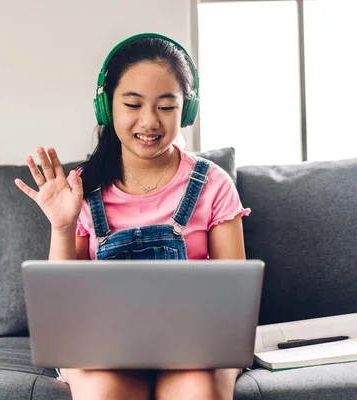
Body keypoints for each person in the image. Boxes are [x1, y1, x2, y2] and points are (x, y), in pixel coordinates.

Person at [14, 33, 251, 400]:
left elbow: (236, 301)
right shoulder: (82, 188)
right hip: (102, 348)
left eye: (166, 107)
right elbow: (64, 307)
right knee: (105, 392)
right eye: (133, 104)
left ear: (186, 111)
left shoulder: (213, 184)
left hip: (196, 347)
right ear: (107, 108)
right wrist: (62, 227)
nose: (149, 121)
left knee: (198, 390)